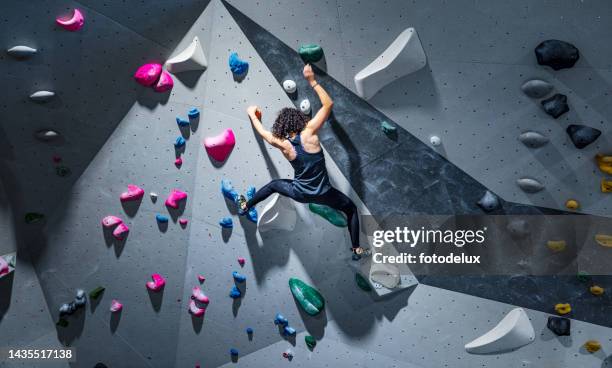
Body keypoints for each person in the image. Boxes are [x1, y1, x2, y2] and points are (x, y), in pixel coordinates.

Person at [237, 64, 369, 259]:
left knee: (274, 185)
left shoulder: (283, 144)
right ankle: (357, 250)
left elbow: (265, 134)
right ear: (299, 120)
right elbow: (328, 105)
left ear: (282, 126)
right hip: (325, 194)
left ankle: (246, 207)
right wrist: (312, 81)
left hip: (300, 193)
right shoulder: (309, 133)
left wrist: (252, 114)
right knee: (350, 210)